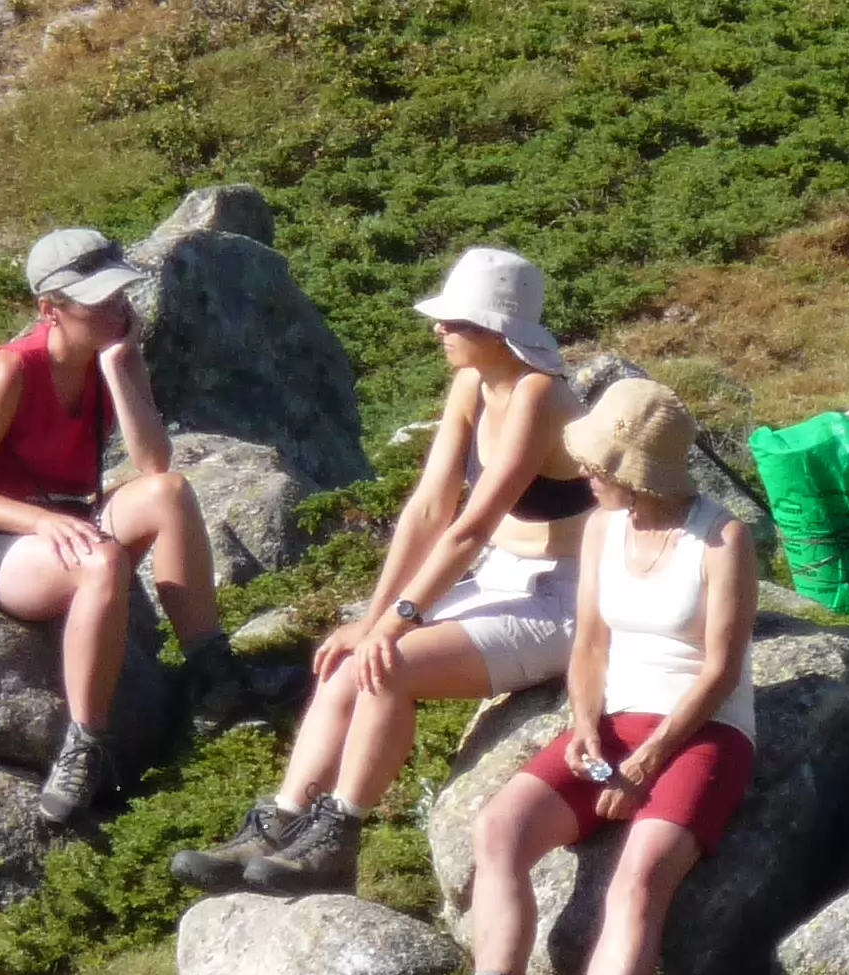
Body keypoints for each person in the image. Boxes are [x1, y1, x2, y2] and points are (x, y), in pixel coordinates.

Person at [169, 247, 592, 894]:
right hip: (503, 580)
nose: (439, 329)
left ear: (498, 330)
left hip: (564, 596)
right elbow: (428, 508)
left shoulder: (538, 394)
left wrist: (398, 622)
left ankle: (339, 835)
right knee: (351, 660)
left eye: (457, 321)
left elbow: (471, 527)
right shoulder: (473, 384)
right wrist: (373, 617)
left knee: (387, 664)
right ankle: (282, 821)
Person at [442, 379, 758, 975]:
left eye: (598, 465)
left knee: (640, 875)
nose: (584, 473)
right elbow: (590, 644)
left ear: (635, 473)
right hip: (614, 721)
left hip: (703, 732)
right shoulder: (601, 529)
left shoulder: (723, 539)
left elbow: (720, 670)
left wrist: (650, 761)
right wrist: (585, 724)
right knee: (500, 829)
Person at [0, 227, 295, 825]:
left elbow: (155, 464)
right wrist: (42, 522)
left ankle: (215, 677)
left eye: (119, 295)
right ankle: (85, 746)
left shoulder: (115, 354)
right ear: (49, 309)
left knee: (170, 494)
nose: (115, 310)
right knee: (101, 561)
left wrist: (120, 372)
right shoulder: (12, 370)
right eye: (97, 301)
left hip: (69, 518)